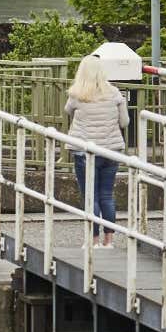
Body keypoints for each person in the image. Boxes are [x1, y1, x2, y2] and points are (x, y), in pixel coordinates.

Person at [62, 55, 129, 247]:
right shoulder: (115, 93)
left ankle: (93, 240)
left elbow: (68, 111)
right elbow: (124, 122)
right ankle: (109, 241)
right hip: (110, 152)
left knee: (90, 196)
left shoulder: (77, 94)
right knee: (107, 195)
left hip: (85, 153)